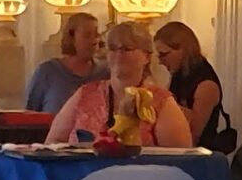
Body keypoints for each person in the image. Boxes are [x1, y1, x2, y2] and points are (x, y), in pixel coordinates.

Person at [47, 21, 194, 148]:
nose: (118, 54)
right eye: (112, 48)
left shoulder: (160, 101)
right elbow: (52, 143)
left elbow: (180, 156)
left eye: (126, 49)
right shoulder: (85, 94)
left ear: (146, 56)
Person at [152, 20, 235, 153]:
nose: (160, 61)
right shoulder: (179, 76)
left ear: (182, 50)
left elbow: (193, 135)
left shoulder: (205, 84)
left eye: (164, 54)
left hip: (200, 156)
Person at [24, 11, 105, 116]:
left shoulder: (105, 74)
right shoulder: (47, 72)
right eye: (87, 35)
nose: (94, 41)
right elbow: (30, 114)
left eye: (96, 35)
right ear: (72, 37)